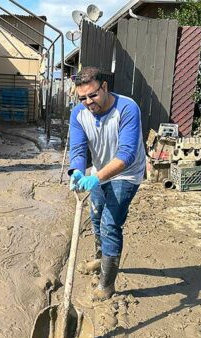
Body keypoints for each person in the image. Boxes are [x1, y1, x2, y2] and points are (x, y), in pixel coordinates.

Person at [68, 67, 146, 301]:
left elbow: (126, 155)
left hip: (126, 173)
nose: (88, 102)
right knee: (95, 215)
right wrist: (77, 172)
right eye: (82, 98)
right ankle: (101, 258)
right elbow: (79, 149)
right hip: (100, 171)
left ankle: (106, 284)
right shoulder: (78, 114)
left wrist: (96, 177)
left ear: (104, 87)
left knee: (110, 223)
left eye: (93, 95)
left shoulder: (127, 108)